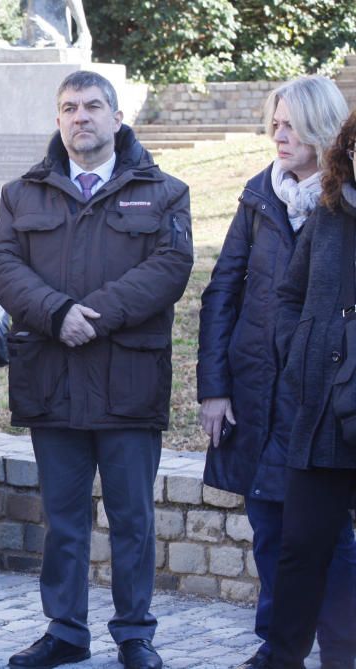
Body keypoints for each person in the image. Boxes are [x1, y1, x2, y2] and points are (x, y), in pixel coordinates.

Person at [0, 70, 193, 669]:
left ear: (116, 117)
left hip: (128, 382)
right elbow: (0, 261)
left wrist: (91, 318)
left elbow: (171, 267)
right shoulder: (21, 194)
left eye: (93, 107)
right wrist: (56, 313)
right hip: (52, 379)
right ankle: (66, 632)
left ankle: (134, 635)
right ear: (58, 120)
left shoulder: (164, 192)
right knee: (64, 521)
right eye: (69, 108)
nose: (81, 117)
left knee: (132, 519)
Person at [196, 75, 355, 669]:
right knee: (267, 522)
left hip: (322, 400)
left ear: (322, 128)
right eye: (274, 123)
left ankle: (342, 651)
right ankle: (276, 648)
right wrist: (213, 387)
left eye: (290, 124)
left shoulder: (345, 204)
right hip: (257, 393)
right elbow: (221, 294)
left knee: (325, 535)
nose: (277, 135)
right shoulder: (259, 193)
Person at [263, 111, 356, 669]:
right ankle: (284, 659)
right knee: (301, 548)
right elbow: (289, 295)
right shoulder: (327, 216)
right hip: (322, 405)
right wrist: (298, 353)